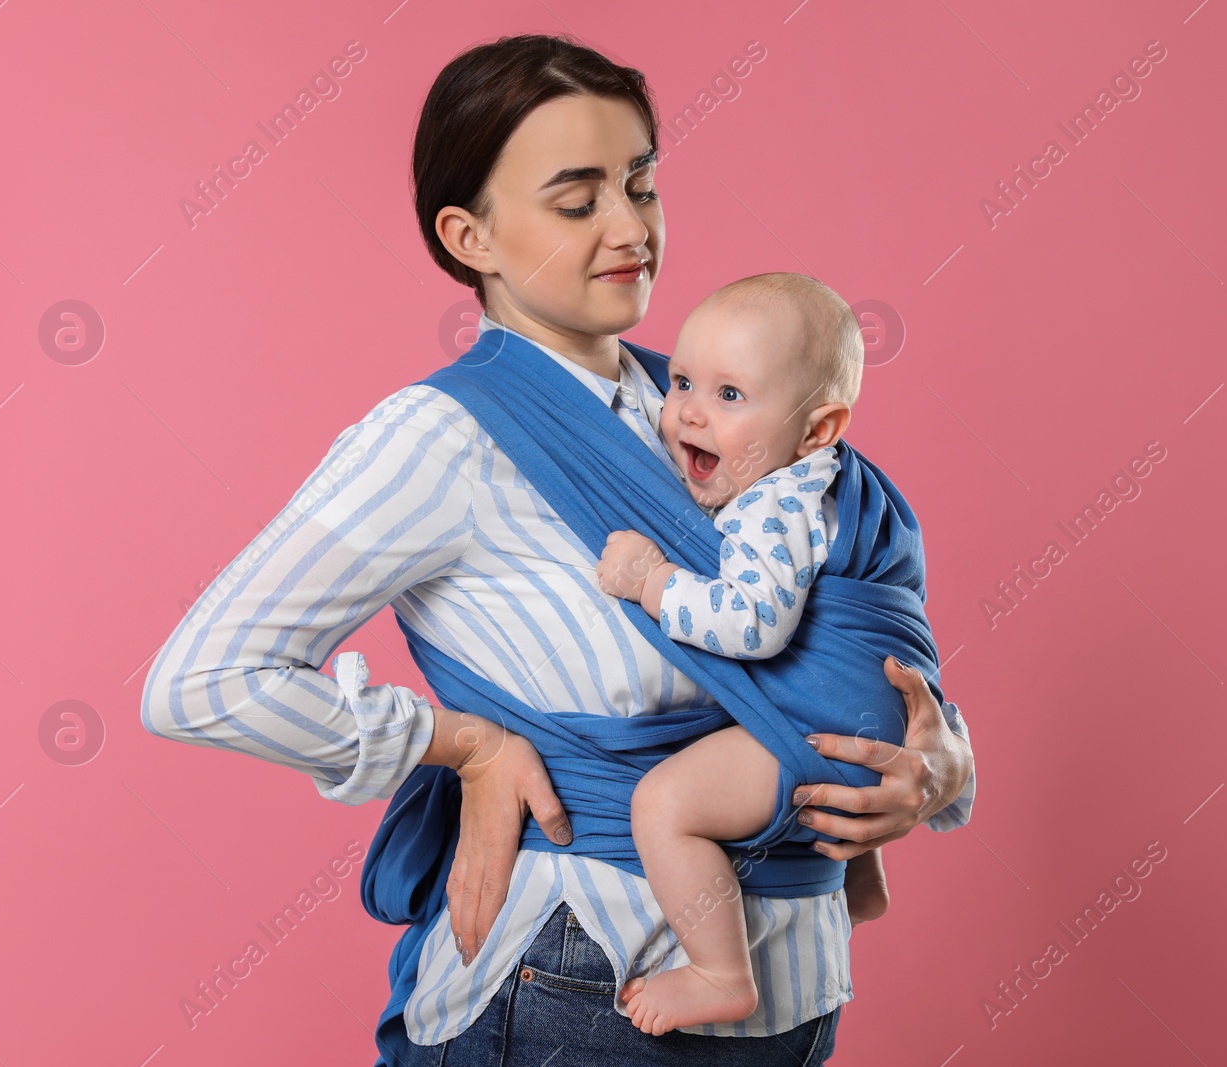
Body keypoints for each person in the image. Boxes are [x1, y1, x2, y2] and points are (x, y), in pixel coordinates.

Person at [140, 33, 975, 1067]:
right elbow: (200, 680)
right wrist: (466, 745)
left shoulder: (720, 403)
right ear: (470, 235)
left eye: (642, 186)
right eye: (578, 201)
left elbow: (843, 620)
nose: (630, 229)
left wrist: (940, 758)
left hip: (796, 985)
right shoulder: (439, 438)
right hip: (584, 981)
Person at [594, 271, 912, 1036]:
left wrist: (652, 581)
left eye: (730, 395)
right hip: (873, 720)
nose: (690, 412)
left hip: (829, 725)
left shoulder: (773, 502)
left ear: (817, 430)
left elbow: (753, 624)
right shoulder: (827, 484)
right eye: (680, 381)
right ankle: (861, 884)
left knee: (664, 803)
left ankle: (719, 972)